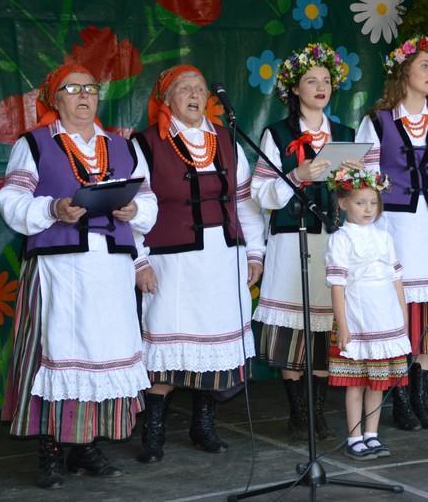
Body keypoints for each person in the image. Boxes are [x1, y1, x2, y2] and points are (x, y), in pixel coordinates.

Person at [0, 64, 157, 488]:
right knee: (58, 353)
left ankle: (86, 447)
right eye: (74, 89)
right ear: (56, 98)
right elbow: (11, 200)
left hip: (110, 267)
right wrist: (53, 209)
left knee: (103, 354)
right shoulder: (34, 144)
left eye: (91, 88)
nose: (84, 96)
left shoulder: (123, 147)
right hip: (60, 266)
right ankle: (50, 452)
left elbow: (149, 202)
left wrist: (134, 210)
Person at [132, 65, 265, 463]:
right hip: (172, 262)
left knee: (216, 347)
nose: (194, 95)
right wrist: (139, 262)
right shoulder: (146, 144)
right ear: (167, 99)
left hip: (223, 258)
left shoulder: (226, 139)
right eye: (184, 89)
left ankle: (202, 424)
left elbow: (245, 202)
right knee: (167, 347)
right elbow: (134, 209)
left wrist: (254, 251)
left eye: (200, 88)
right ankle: (153, 432)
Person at [357, 35, 428, 431]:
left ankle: (420, 395)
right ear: (404, 71)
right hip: (396, 227)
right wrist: (371, 236)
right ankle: (400, 399)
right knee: (401, 313)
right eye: (425, 64)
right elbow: (366, 182)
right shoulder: (377, 123)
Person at [251, 42, 352, 440]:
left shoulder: (343, 134)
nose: (320, 86)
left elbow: (362, 190)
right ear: (295, 88)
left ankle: (318, 412)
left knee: (324, 331)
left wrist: (354, 179)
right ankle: (298, 413)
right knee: (294, 332)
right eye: (311, 80)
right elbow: (260, 193)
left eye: (326, 80)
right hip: (292, 242)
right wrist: (297, 176)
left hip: (332, 242)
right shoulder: (277, 133)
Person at [324, 167, 411, 460]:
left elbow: (396, 280)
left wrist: (403, 317)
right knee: (357, 383)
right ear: (343, 203)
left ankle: (372, 434)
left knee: (379, 382)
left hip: (385, 317)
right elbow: (337, 286)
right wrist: (343, 325)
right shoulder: (341, 239)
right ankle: (354, 436)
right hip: (359, 318)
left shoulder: (384, 236)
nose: (368, 209)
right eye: (360, 202)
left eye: (373, 202)